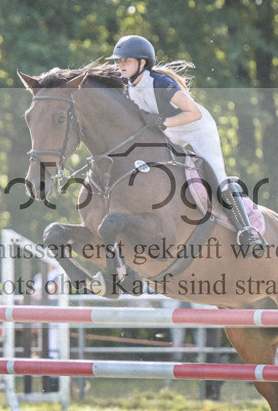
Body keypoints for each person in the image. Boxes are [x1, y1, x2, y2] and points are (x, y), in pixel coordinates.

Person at [104, 34, 268, 254]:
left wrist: (163, 122)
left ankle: (247, 232)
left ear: (142, 63)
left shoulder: (160, 83)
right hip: (169, 128)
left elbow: (194, 112)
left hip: (197, 127)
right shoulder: (128, 87)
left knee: (217, 180)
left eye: (126, 60)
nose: (121, 65)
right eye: (119, 61)